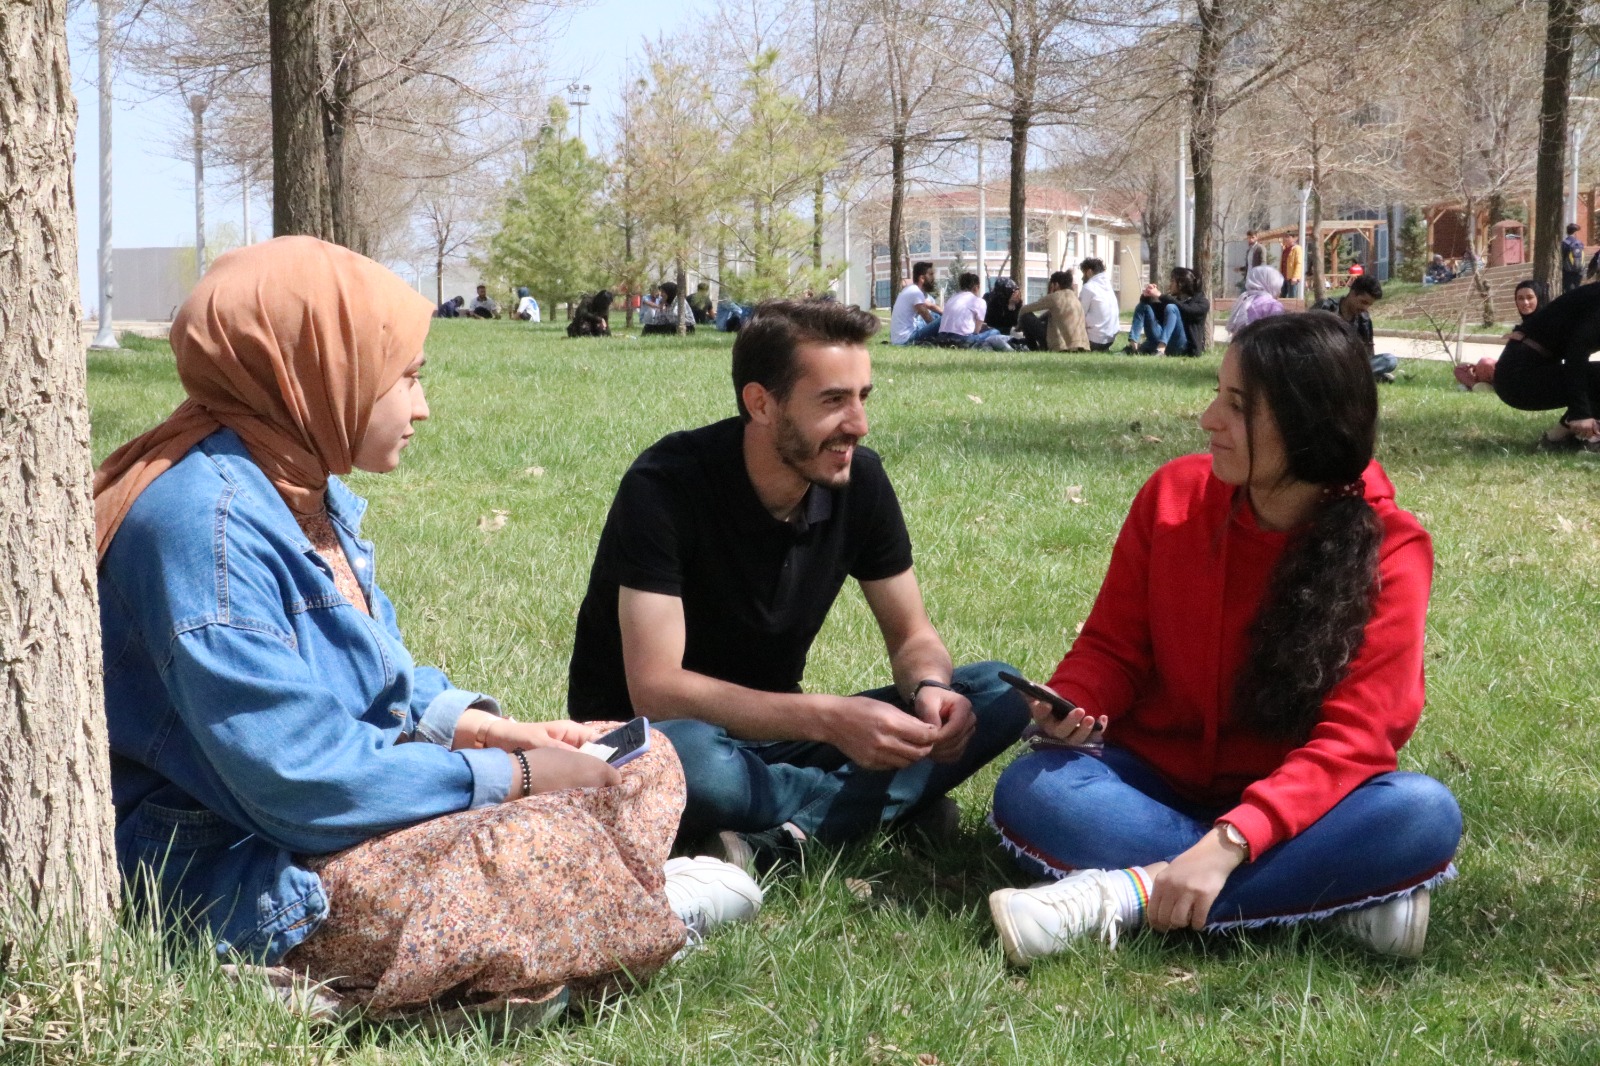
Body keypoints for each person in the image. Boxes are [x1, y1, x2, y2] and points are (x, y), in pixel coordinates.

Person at [95, 237, 762, 1024]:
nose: (421, 408)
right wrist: (514, 776)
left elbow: (376, 679)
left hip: (351, 811)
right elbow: (299, 783)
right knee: (543, 847)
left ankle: (558, 941)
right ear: (320, 371)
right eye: (406, 378)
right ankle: (622, 920)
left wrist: (488, 730)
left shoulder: (294, 482)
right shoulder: (200, 530)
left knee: (645, 762)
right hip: (257, 868)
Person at [987, 313, 1460, 965]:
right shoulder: (1172, 496)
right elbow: (1113, 647)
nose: (1209, 418)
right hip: (1152, 781)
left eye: (1237, 406)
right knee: (1034, 786)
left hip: (1301, 806)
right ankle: (1329, 895)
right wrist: (1072, 699)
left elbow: (1358, 738)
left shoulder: (1393, 549)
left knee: (1422, 812)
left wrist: (1233, 841)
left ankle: (1125, 896)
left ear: (1306, 425)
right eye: (1218, 394)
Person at [566, 300, 1031, 869]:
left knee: (1000, 692)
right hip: (647, 741)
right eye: (833, 401)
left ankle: (793, 832)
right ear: (761, 403)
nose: (858, 424)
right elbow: (656, 690)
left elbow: (913, 637)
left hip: (777, 734)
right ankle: (876, 804)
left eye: (863, 397)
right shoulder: (665, 485)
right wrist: (831, 719)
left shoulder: (859, 481)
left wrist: (929, 690)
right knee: (697, 763)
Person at [1490, 281, 1600, 451]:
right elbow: (1576, 357)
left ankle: (1571, 437)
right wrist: (1581, 412)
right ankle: (1557, 439)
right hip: (1518, 379)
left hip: (1531, 371)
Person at [1452, 280, 1545, 391]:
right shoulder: (1521, 327)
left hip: (1528, 374)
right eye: (1520, 298)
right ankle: (1479, 386)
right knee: (1462, 368)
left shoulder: (1545, 324)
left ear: (1538, 298)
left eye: (1530, 298)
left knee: (1486, 363)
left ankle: (1479, 386)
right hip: (1506, 370)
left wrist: (1523, 339)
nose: (1525, 302)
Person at [1312, 275, 1398, 382]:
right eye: (1363, 302)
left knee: (1389, 360)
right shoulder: (1326, 308)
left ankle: (1353, 377)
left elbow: (1368, 353)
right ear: (1353, 293)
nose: (1365, 308)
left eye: (1369, 305)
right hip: (1324, 363)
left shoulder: (1364, 320)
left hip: (1352, 365)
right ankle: (1365, 377)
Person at [1125, 267, 1209, 357]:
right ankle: (1133, 345)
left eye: (1172, 281)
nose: (1170, 284)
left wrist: (1160, 295)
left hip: (1182, 347)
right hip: (1163, 342)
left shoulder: (1202, 303)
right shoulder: (1173, 300)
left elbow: (1187, 310)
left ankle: (1161, 349)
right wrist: (1147, 295)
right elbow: (1153, 308)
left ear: (1181, 284)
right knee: (1144, 306)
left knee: (1171, 307)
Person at [1014, 270, 1089, 352]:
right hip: (1081, 345)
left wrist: (1019, 325)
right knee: (1048, 317)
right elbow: (1053, 314)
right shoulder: (1075, 298)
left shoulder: (1055, 297)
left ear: (1055, 285)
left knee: (1025, 317)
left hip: (1062, 345)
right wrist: (1039, 319)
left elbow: (1024, 309)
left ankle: (1034, 349)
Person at [938, 272, 1013, 351]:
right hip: (961, 340)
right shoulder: (978, 301)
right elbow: (976, 331)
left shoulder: (951, 299)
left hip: (941, 339)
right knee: (995, 332)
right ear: (976, 287)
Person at [889, 261, 943, 345]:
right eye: (931, 275)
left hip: (899, 338)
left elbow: (931, 306)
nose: (933, 278)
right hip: (906, 339)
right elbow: (928, 320)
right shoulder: (916, 292)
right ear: (922, 278)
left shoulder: (910, 289)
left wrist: (945, 313)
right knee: (942, 320)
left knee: (938, 315)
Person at [1226, 265, 1286, 334]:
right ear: (1272, 284)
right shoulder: (1272, 305)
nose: (1280, 292)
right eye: (1279, 287)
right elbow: (1277, 331)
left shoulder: (1244, 301)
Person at [1079, 258, 1121, 351]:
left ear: (1089, 272)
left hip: (1094, 341)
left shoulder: (1088, 287)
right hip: (1110, 340)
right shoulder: (1108, 286)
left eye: (1083, 273)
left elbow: (1080, 313)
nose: (1082, 278)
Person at [1562, 224, 1586, 294]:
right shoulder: (1580, 244)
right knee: (1577, 289)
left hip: (1567, 272)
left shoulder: (1564, 243)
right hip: (1579, 271)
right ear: (1575, 232)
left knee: (1568, 290)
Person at [1279, 235, 1304, 299]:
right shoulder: (1285, 249)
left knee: (1292, 297)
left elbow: (1298, 263)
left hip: (1291, 277)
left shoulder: (1297, 248)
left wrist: (1295, 277)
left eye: (1288, 237)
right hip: (1283, 277)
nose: (1286, 239)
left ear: (1294, 238)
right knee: (1281, 297)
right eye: (1285, 237)